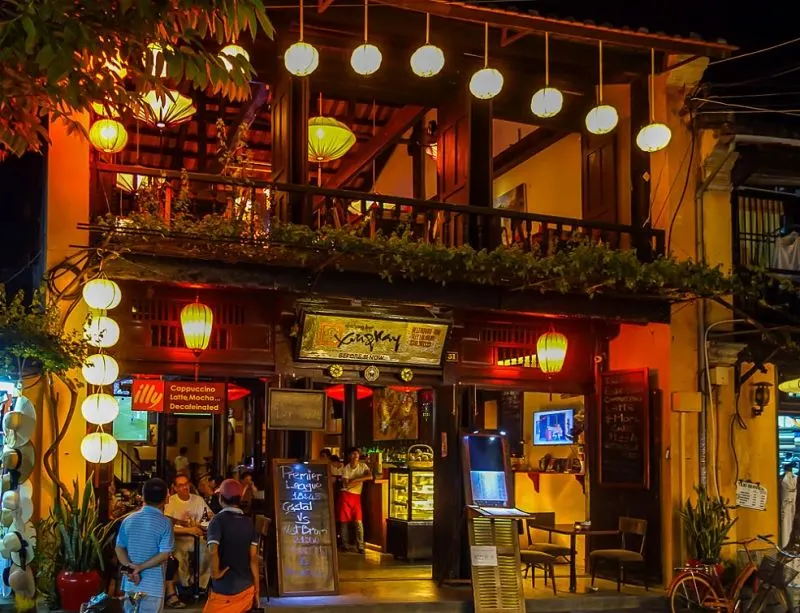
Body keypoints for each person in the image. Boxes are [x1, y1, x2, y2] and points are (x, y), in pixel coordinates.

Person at [115, 478, 175, 613]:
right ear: (166, 498)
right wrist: (140, 568)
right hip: (153, 587)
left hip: (130, 584)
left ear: (143, 496)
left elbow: (119, 547)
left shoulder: (128, 520)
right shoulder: (165, 523)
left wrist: (130, 568)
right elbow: (165, 554)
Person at [203, 479, 260, 613]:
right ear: (239, 499)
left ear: (221, 498)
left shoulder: (217, 521)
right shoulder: (248, 522)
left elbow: (213, 551)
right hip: (247, 589)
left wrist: (215, 573)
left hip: (225, 590)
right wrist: (257, 590)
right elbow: (253, 558)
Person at [164, 474, 213, 592]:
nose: (185, 487)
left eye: (186, 484)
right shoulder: (171, 501)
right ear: (175, 488)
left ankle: (201, 584)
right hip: (178, 537)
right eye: (181, 485)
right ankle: (185, 585)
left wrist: (204, 521)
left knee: (207, 551)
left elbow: (210, 515)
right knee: (180, 554)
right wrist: (189, 529)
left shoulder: (198, 500)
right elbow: (167, 525)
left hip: (197, 537)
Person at [338, 447, 372, 554]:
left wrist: (356, 479)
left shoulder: (363, 466)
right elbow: (346, 485)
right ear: (349, 456)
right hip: (346, 496)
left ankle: (360, 546)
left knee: (358, 521)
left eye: (357, 454)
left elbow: (370, 476)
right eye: (353, 454)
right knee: (344, 522)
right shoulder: (346, 468)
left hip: (356, 496)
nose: (355, 456)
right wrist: (362, 478)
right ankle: (345, 544)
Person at [781, 463, 797, 547]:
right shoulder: (787, 479)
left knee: (787, 525)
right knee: (788, 525)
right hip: (788, 505)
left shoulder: (786, 478)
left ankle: (786, 544)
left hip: (788, 505)